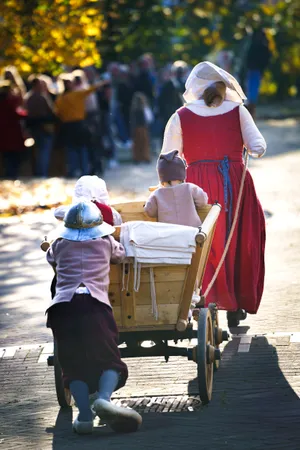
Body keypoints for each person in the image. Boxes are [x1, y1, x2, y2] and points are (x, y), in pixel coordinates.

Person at [161, 61, 267, 327]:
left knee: (205, 243)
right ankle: (236, 302)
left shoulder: (180, 115)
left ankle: (206, 298)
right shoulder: (237, 111)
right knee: (239, 239)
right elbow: (258, 147)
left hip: (197, 186)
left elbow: (167, 157)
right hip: (235, 183)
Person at [46, 202, 142, 434]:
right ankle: (104, 400)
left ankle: (85, 418)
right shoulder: (106, 241)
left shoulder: (59, 244)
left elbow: (51, 259)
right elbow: (121, 256)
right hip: (94, 306)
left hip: (62, 309)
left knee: (72, 367)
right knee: (110, 360)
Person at [54, 74, 107, 177]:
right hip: (79, 124)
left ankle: (72, 170)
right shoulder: (76, 94)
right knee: (82, 148)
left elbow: (57, 112)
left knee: (71, 149)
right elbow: (90, 89)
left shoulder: (60, 99)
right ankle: (84, 170)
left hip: (66, 126)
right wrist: (102, 82)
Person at [144, 150, 208, 227]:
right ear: (182, 175)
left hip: (169, 235)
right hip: (192, 232)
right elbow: (203, 201)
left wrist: (146, 205)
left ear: (161, 179)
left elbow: (150, 211)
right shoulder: (190, 188)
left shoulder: (156, 194)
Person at [54, 175, 122, 226]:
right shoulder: (110, 212)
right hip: (103, 244)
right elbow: (118, 223)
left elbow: (57, 213)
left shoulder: (74, 209)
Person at [25, 77, 55, 177]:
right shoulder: (41, 97)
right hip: (43, 127)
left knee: (38, 152)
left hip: (34, 127)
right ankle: (42, 173)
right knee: (44, 151)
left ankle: (38, 173)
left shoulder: (28, 97)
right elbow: (51, 111)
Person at [0, 80, 26, 179]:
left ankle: (8, 173)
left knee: (6, 156)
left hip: (3, 134)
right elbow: (17, 114)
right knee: (14, 156)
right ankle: (12, 174)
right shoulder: (11, 102)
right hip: (12, 133)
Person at [245, 29, 271, 119]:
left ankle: (251, 112)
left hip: (256, 71)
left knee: (252, 92)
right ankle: (250, 112)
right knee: (251, 92)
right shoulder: (256, 46)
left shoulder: (259, 46)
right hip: (253, 70)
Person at [130, 92, 152, 164]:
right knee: (144, 143)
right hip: (142, 127)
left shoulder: (134, 109)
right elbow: (148, 118)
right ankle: (145, 157)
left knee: (137, 144)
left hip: (137, 127)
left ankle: (138, 158)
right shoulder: (144, 108)